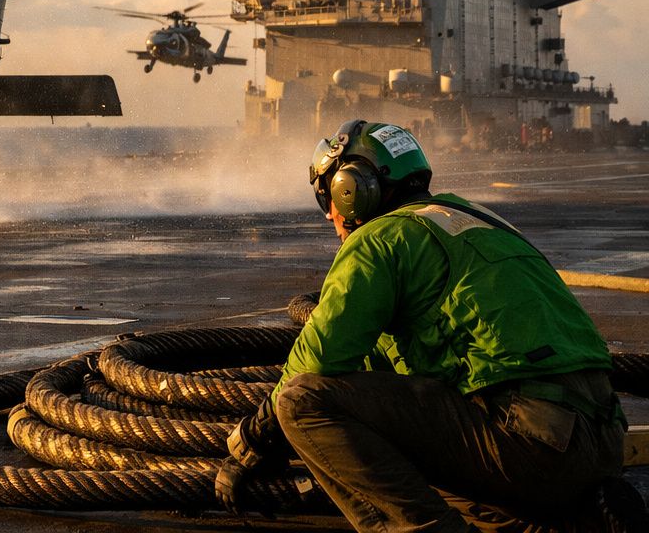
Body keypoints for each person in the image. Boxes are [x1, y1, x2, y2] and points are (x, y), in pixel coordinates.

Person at [214, 119, 642, 533]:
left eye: (327, 198)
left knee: (301, 403)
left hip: (530, 442)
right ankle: (581, 521)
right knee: (411, 463)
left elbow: (316, 364)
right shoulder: (476, 219)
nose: (329, 216)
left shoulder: (380, 238)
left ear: (351, 192)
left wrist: (256, 438)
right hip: (602, 443)